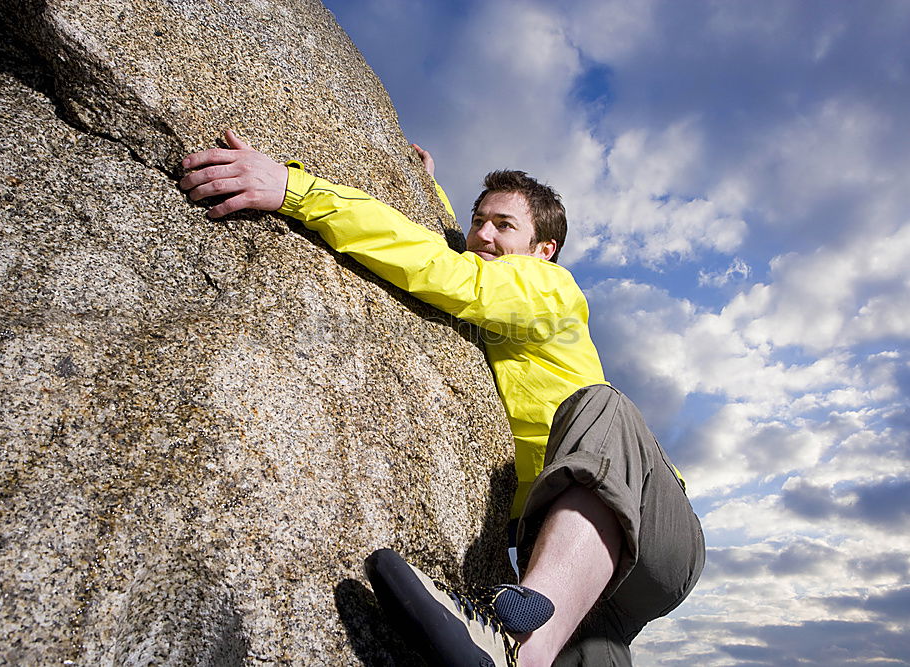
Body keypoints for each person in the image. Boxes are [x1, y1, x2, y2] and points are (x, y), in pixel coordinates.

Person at [180, 131, 705, 666]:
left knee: (602, 405)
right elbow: (453, 247)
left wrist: (296, 190)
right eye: (479, 220)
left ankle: (519, 650)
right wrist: (424, 192)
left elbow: (451, 273)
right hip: (579, 573)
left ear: (544, 251)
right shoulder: (501, 289)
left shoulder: (552, 287)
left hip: (649, 525)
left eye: (504, 224)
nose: (483, 232)